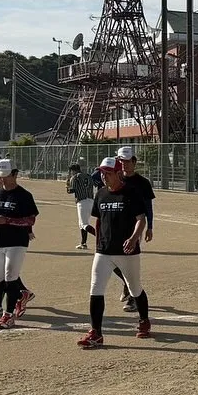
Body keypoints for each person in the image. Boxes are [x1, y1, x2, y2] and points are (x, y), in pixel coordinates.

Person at [76, 157, 152, 349]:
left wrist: (134, 238)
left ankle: (144, 320)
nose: (104, 177)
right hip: (104, 251)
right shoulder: (101, 194)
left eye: (108, 173)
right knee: (95, 289)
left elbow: (141, 219)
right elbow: (99, 221)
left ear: (118, 173)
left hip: (127, 251)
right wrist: (98, 242)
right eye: (102, 173)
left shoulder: (131, 193)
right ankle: (96, 333)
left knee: (135, 289)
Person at [0, 159, 39, 329]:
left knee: (10, 277)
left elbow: (30, 219)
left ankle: (8, 315)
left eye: (6, 176)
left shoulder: (24, 195)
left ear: (15, 174)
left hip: (17, 242)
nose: (2, 180)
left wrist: (7, 220)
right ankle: (23, 294)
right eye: (0, 176)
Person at [115, 146, 155, 312]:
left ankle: (133, 297)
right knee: (111, 261)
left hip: (134, 228)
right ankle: (126, 284)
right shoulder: (116, 179)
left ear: (134, 162)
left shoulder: (142, 183)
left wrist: (150, 227)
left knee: (129, 262)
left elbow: (148, 207)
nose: (123, 164)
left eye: (126, 160)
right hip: (116, 226)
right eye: (120, 160)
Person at [66, 163, 95, 250]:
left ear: (73, 170)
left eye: (71, 171)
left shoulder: (75, 177)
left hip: (82, 201)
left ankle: (101, 237)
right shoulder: (88, 176)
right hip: (91, 200)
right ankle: (83, 243)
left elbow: (71, 190)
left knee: (83, 224)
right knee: (82, 223)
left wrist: (67, 186)